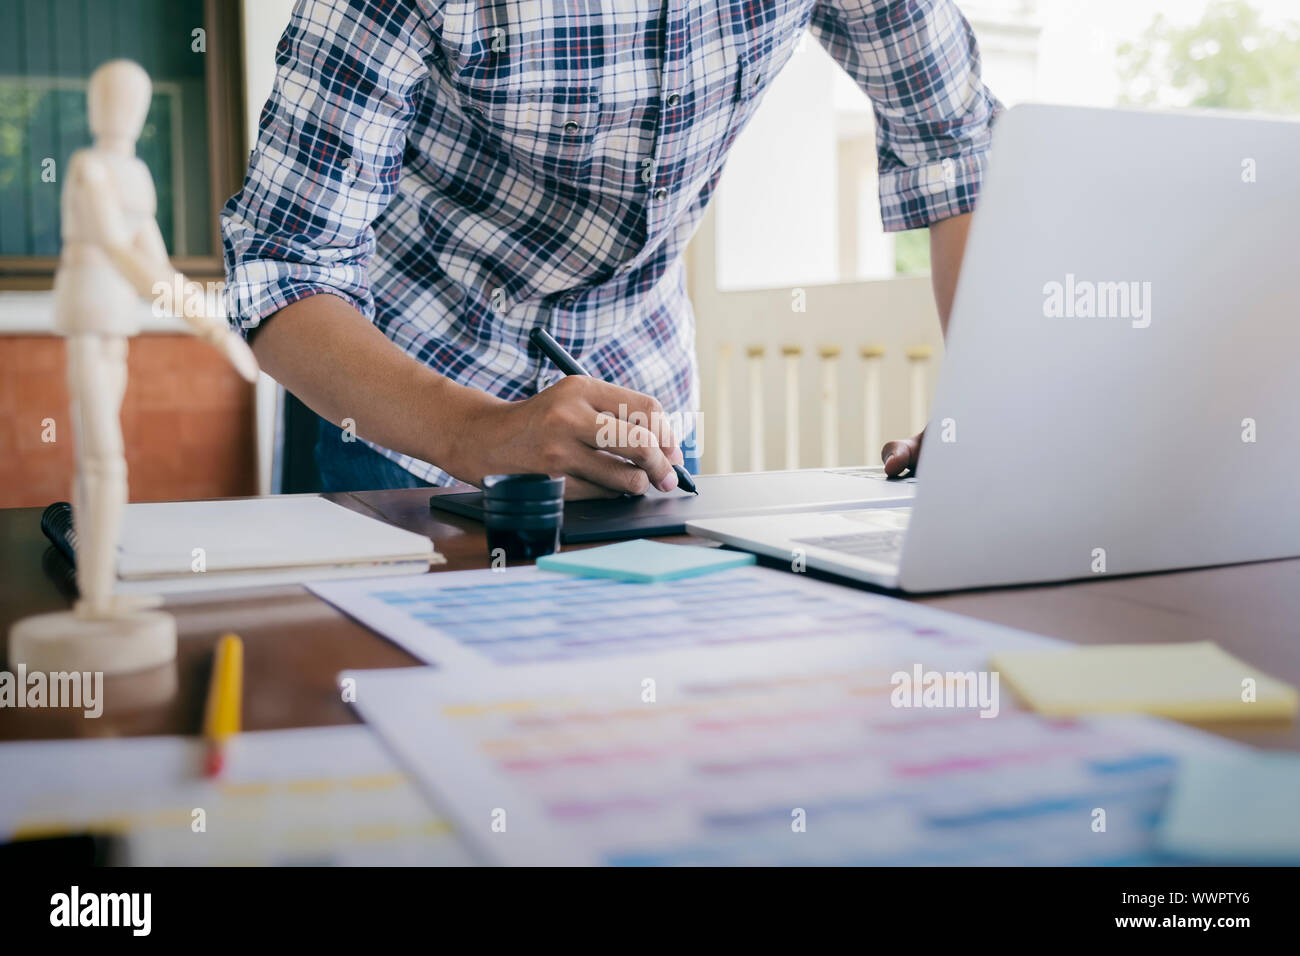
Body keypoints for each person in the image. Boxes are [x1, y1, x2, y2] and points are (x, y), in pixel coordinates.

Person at [223, 0, 1000, 497]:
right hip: (408, 403)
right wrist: (481, 433)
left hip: (644, 401)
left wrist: (983, 408)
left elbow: (958, 150)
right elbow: (284, 266)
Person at [57, 60, 257, 617]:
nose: (120, 109)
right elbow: (123, 256)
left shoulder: (137, 177)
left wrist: (215, 329)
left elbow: (160, 269)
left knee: (100, 463)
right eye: (111, 97)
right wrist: (206, 325)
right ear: (96, 105)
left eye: (131, 99)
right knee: (101, 463)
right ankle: (97, 599)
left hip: (118, 323)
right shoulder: (87, 168)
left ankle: (99, 596)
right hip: (88, 317)